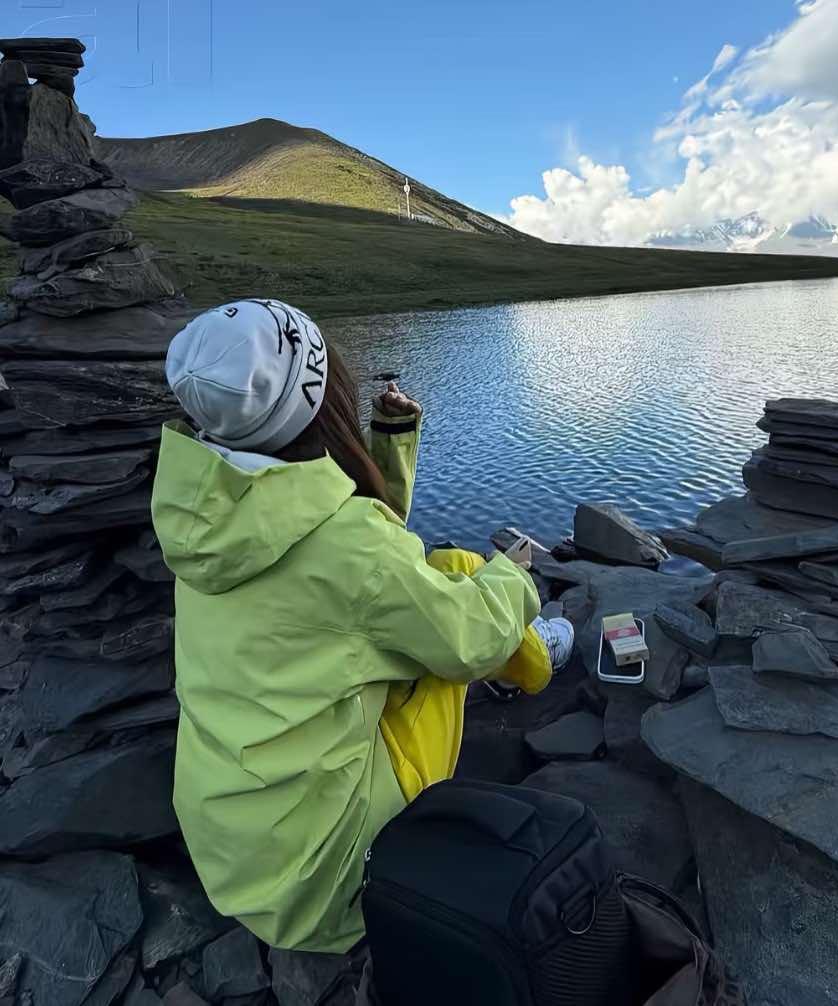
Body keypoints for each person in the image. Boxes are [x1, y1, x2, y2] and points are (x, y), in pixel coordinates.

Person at [150, 299, 575, 954]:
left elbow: (359, 563)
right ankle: (537, 662)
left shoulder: (206, 507)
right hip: (321, 883)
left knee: (438, 582)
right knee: (465, 596)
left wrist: (391, 443)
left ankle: (527, 655)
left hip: (234, 854)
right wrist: (515, 574)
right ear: (319, 397)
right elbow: (458, 635)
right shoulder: (346, 546)